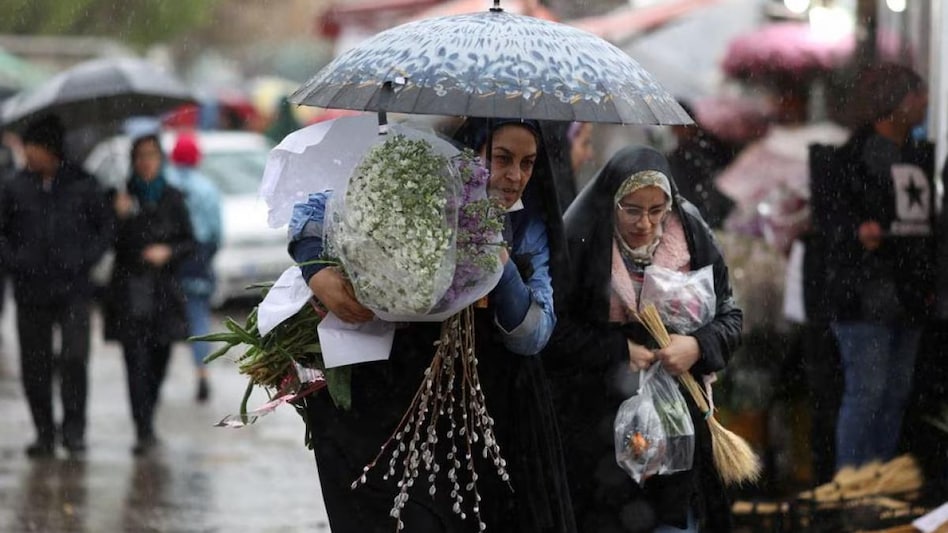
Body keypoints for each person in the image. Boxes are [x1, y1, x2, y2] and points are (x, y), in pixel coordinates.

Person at [290, 118, 575, 532]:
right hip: (401, 397)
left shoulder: (529, 226)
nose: (515, 176)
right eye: (501, 158)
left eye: (528, 163)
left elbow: (533, 334)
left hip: (487, 418)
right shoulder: (422, 189)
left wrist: (498, 263)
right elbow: (321, 208)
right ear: (472, 155)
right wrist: (317, 268)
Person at [544, 145, 743, 532]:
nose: (645, 224)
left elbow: (731, 317)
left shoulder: (690, 235)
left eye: (657, 211)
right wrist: (618, 349)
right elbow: (554, 333)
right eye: (632, 210)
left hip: (677, 423)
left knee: (673, 519)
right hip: (598, 428)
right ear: (610, 203)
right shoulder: (581, 242)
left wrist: (697, 346)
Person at [809, 63, 936, 469]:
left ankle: (880, 476)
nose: (926, 102)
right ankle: (853, 481)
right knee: (867, 390)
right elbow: (828, 220)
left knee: (894, 392)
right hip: (864, 295)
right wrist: (854, 232)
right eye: (917, 94)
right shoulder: (850, 159)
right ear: (896, 101)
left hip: (908, 292)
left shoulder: (918, 154)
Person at [0, 114, 112, 457]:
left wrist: (84, 260)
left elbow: (105, 228)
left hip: (74, 290)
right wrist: (16, 260)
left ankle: (74, 431)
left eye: (32, 147)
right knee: (35, 364)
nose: (27, 154)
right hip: (30, 291)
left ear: (50, 150)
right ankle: (43, 433)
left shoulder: (83, 184)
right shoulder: (14, 186)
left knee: (75, 359)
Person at [104, 133, 195, 455]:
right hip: (129, 294)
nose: (146, 161)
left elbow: (190, 242)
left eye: (152, 155)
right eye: (140, 155)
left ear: (161, 158)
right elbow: (106, 242)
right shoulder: (120, 197)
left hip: (164, 295)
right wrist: (117, 215)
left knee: (159, 359)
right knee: (135, 362)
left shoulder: (172, 197)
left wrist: (168, 251)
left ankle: (149, 415)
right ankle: (142, 428)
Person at [166, 132, 222, 403]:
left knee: (162, 318)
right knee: (198, 319)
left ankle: (157, 378)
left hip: (168, 258)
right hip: (198, 259)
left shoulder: (165, 182)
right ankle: (202, 374)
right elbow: (215, 232)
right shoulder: (206, 188)